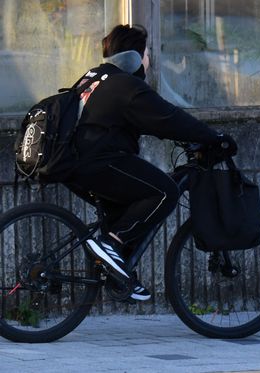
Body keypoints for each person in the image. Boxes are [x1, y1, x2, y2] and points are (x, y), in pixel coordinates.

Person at [65, 24, 237, 301]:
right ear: (133, 57)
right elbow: (168, 118)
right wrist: (213, 137)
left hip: (75, 164)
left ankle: (120, 273)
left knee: (128, 207)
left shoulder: (94, 78)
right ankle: (111, 244)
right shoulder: (127, 85)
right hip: (99, 162)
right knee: (165, 191)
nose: (149, 60)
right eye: (146, 54)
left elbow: (145, 120)